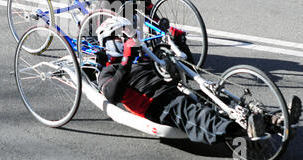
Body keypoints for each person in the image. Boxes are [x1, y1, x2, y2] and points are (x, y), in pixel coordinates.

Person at [95, 16, 302, 145]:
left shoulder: (147, 57)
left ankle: (273, 121)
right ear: (107, 42)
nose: (125, 39)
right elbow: (111, 95)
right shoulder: (108, 72)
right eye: (118, 36)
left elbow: (188, 66)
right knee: (195, 113)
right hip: (157, 104)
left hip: (179, 90)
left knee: (220, 99)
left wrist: (179, 43)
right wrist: (126, 61)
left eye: (126, 34)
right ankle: (243, 131)